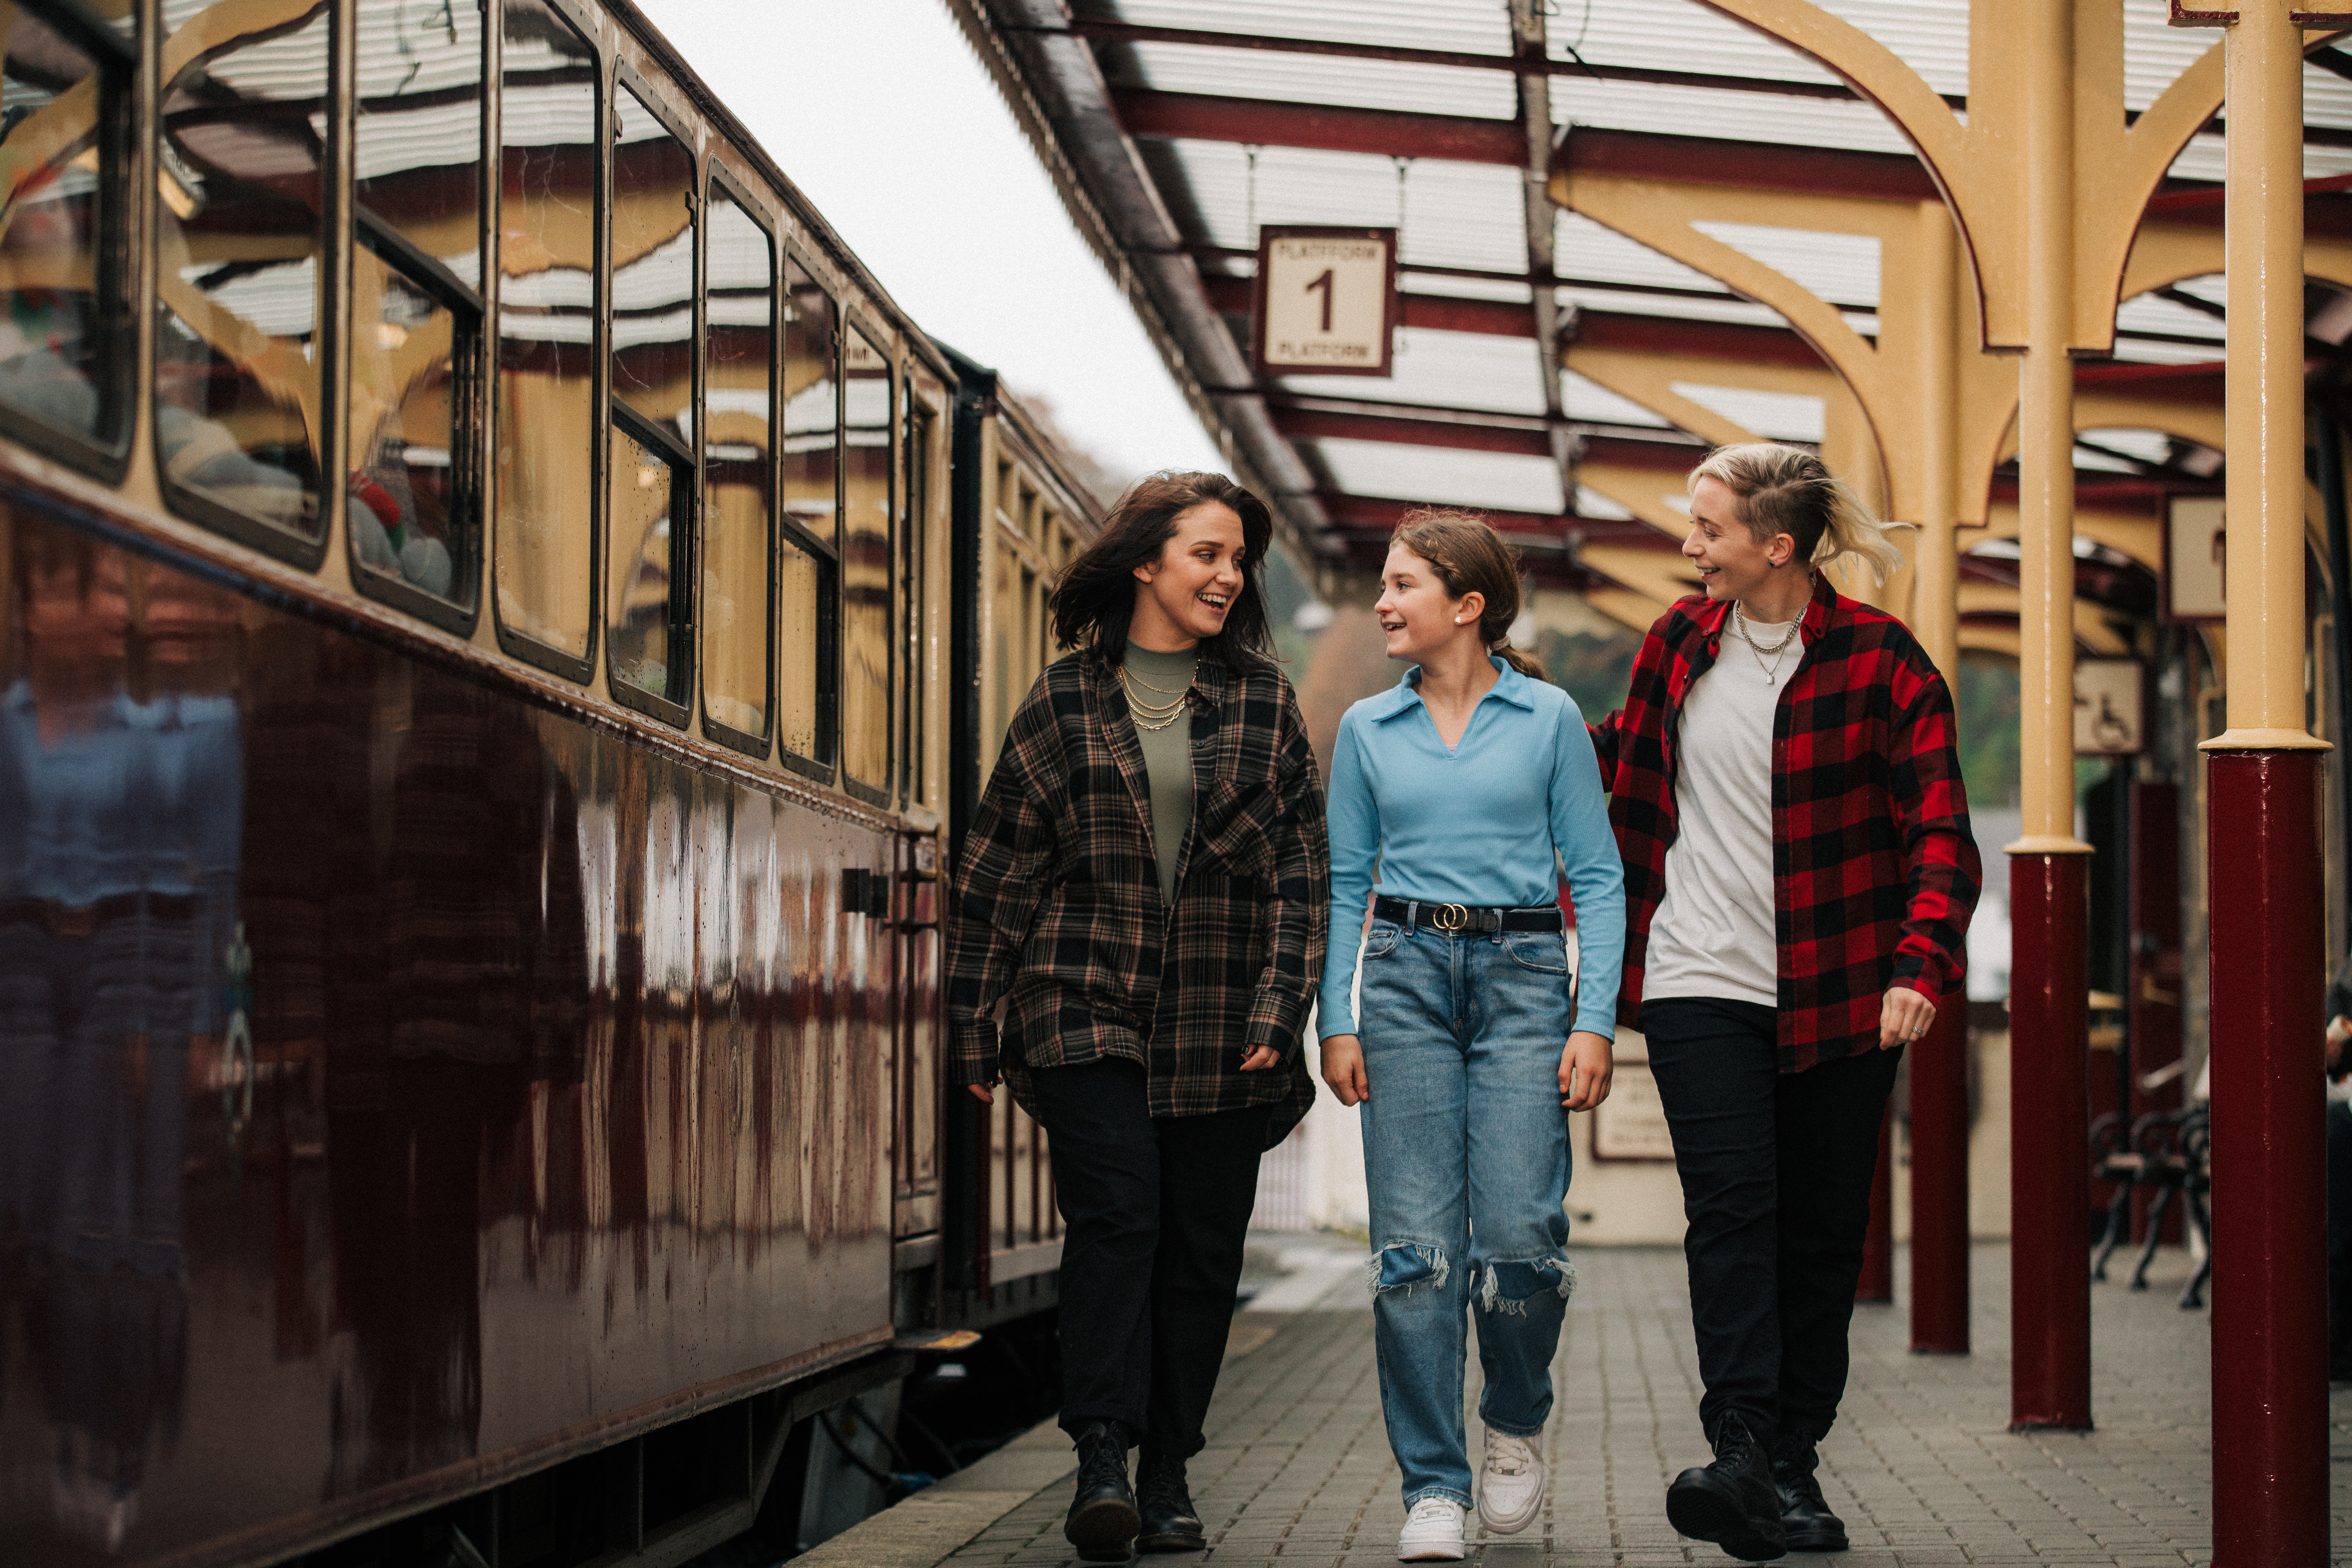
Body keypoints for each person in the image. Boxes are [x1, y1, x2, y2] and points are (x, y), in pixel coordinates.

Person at [1591, 444, 1979, 1561]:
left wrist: (1920, 966)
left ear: (1778, 546)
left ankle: (1788, 1468)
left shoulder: (1884, 664)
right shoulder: (1676, 644)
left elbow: (1943, 831)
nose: (1687, 545)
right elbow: (1621, 765)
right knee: (1731, 1216)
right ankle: (1746, 1445)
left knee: (1820, 1235)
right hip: (1697, 976)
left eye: (1707, 529)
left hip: (1847, 990)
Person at [945, 471, 1329, 1563]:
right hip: (1083, 1006)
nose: (1229, 575)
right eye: (1208, 553)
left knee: (1201, 1250)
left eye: (1239, 559)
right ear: (1148, 562)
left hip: (1221, 1018)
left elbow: (1305, 872)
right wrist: (974, 1024)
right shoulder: (1065, 699)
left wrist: (1280, 1001)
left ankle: (1168, 1473)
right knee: (1120, 1221)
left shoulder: (1263, 702)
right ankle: (1102, 1456)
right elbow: (1000, 868)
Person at [1316, 510, 1627, 1563]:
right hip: (1402, 980)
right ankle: (1434, 1484)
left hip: (1528, 980)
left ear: (1468, 604)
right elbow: (1346, 883)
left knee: (1519, 1249)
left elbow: (1597, 877)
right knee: (1414, 1258)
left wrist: (1595, 1020)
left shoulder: (1549, 720)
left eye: (1402, 586)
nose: (1382, 603)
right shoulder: (1367, 730)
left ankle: (1516, 1422)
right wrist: (1337, 1016)